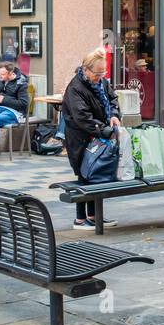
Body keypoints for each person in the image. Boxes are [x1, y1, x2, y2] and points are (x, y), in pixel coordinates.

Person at [62, 48, 121, 228]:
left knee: (97, 175)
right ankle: (80, 219)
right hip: (79, 138)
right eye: (97, 73)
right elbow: (83, 118)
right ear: (86, 70)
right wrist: (106, 131)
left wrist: (114, 114)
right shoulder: (75, 88)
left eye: (103, 72)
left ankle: (94, 216)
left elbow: (113, 99)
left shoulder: (101, 82)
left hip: (97, 135)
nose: (101, 76)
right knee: (84, 174)